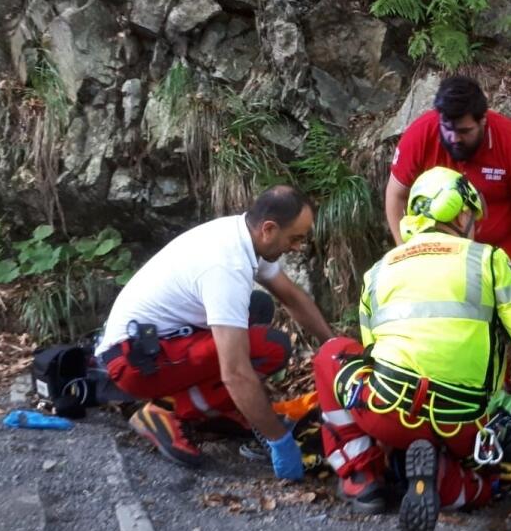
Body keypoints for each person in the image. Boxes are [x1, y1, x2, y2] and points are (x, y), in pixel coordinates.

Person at [315, 167, 511, 531]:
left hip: (391, 410)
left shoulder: (378, 270)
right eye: (472, 216)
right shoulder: (488, 259)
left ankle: (363, 475)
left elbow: (371, 352)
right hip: (464, 421)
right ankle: (451, 482)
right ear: (458, 213)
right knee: (487, 481)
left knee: (331, 355)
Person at [96, 186, 334, 481]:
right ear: (269, 229)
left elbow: (292, 296)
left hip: (156, 341)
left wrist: (333, 345)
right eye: (295, 238)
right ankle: (167, 410)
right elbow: (234, 372)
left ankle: (209, 405)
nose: (297, 247)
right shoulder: (226, 265)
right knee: (270, 348)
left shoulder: (242, 234)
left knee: (258, 307)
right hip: (134, 362)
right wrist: (280, 441)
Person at [384, 75, 511, 294]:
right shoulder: (421, 134)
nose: (454, 138)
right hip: (437, 263)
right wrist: (405, 252)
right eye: (447, 129)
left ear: (482, 121)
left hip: (500, 260)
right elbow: (395, 195)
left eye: (464, 131)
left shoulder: (510, 142)